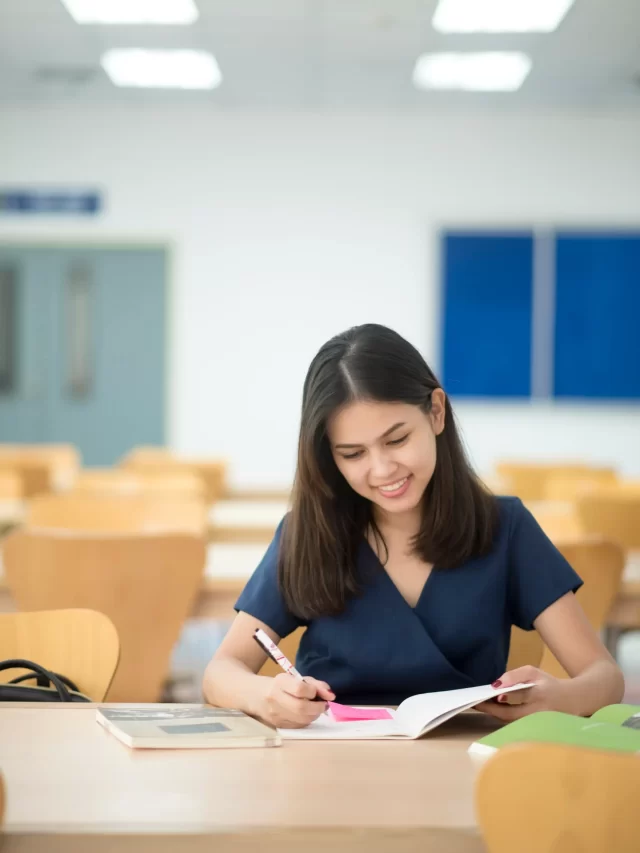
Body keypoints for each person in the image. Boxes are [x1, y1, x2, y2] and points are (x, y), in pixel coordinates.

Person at [203, 324, 624, 728]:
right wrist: (265, 696)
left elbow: (604, 676)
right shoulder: (308, 534)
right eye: (353, 454)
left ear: (436, 413)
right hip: (330, 769)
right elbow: (221, 672)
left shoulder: (506, 528)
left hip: (461, 770)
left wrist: (561, 698)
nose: (383, 469)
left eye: (397, 440)